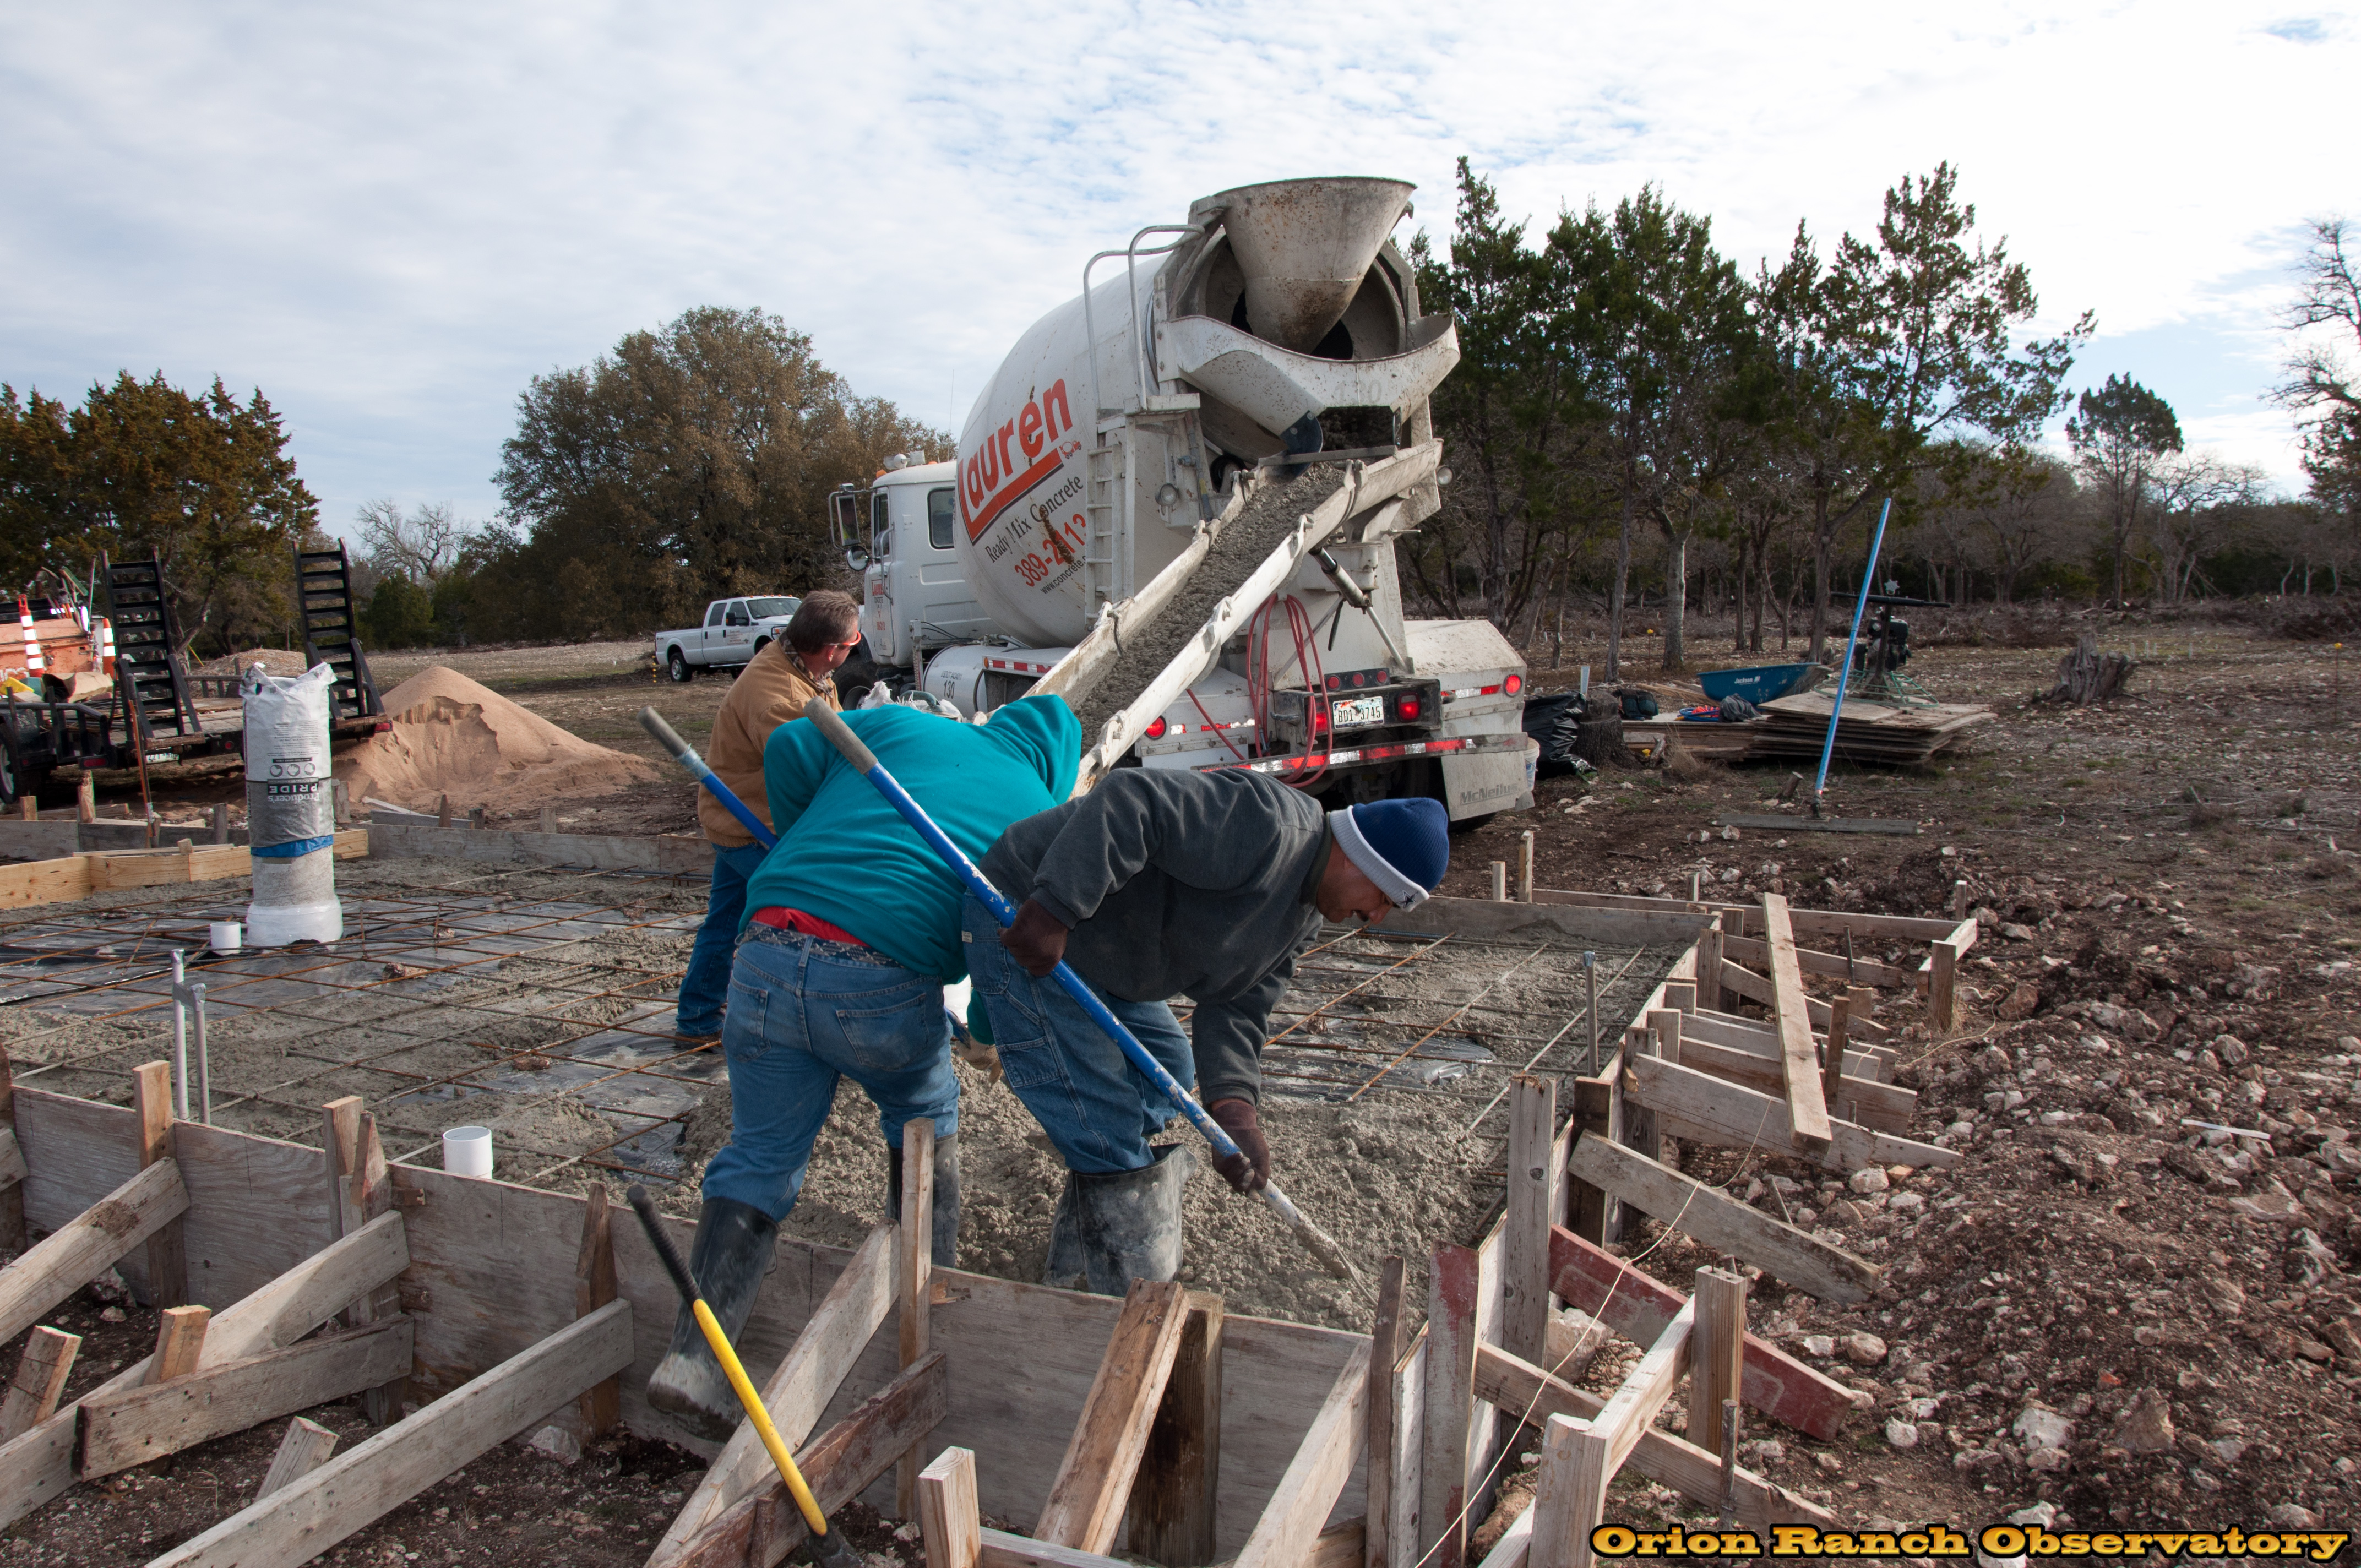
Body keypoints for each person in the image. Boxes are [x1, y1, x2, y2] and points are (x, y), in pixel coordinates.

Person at [649, 692, 1080, 1439]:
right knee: (923, 1113)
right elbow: (1003, 953)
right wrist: (984, 1033)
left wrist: (805, 831)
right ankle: (926, 1301)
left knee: (760, 1152)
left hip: (764, 949)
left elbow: (789, 746)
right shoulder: (1038, 817)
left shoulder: (903, 724)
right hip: (876, 977)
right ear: (1056, 767)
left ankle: (694, 1361)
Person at [964, 772, 1449, 1294]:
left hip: (1099, 947)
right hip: (1024, 912)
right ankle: (1126, 1298)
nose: (1373, 916)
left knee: (1168, 1071)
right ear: (1358, 860)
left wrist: (1236, 1114)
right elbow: (1133, 802)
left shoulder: (1305, 914)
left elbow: (1241, 1002)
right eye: (1383, 897)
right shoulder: (1268, 826)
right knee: (1101, 1120)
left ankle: (1078, 1254)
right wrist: (1055, 906)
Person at [672, 591, 864, 1042]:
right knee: (813, 913)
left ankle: (697, 1018)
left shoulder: (801, 666)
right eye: (851, 645)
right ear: (832, 650)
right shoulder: (778, 700)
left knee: (725, 920)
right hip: (752, 823)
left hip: (744, 813)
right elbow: (812, 771)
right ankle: (814, 1022)